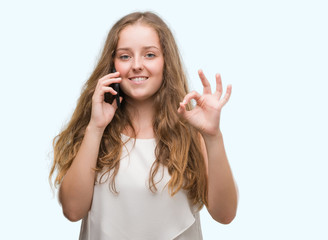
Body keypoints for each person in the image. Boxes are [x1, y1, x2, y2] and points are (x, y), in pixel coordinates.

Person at [49, 11, 238, 239]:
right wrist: (96, 128)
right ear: (112, 64)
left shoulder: (190, 133)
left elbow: (225, 214)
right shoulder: (95, 131)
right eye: (125, 56)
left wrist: (213, 136)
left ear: (166, 62)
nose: (137, 65)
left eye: (149, 55)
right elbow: (72, 210)